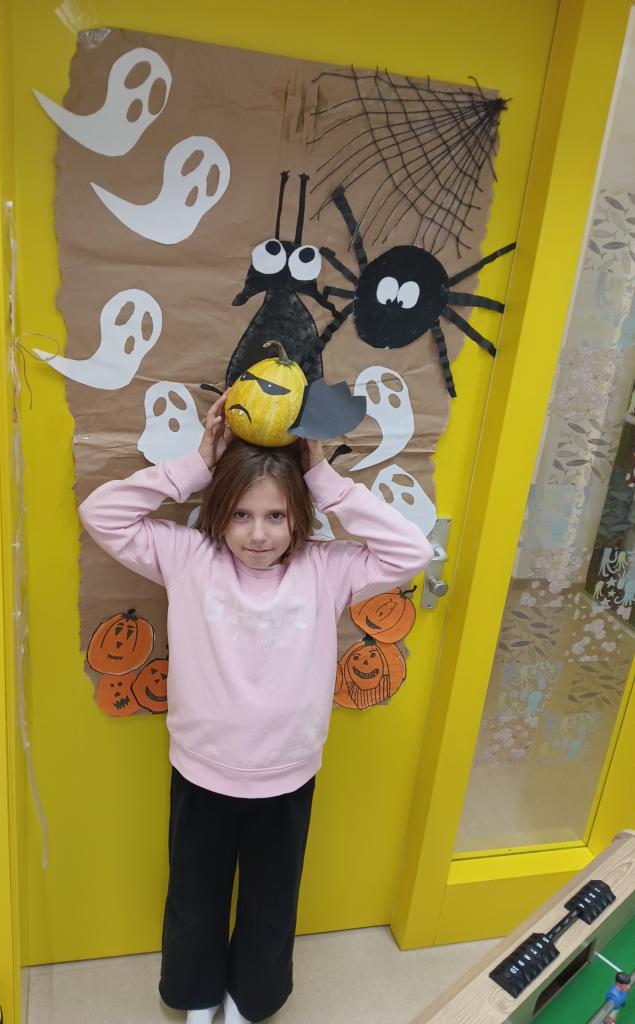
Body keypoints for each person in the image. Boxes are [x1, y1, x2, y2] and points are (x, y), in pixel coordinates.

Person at [78, 395, 433, 1023]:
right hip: (202, 771)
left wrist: (323, 479)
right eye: (241, 515)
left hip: (286, 776)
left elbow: (411, 552)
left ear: (300, 516)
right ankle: (196, 999)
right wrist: (195, 465)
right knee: (195, 898)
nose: (259, 534)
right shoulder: (188, 558)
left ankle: (250, 1003)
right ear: (218, 512)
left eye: (276, 516)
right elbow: (100, 513)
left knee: (272, 903)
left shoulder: (326, 570)